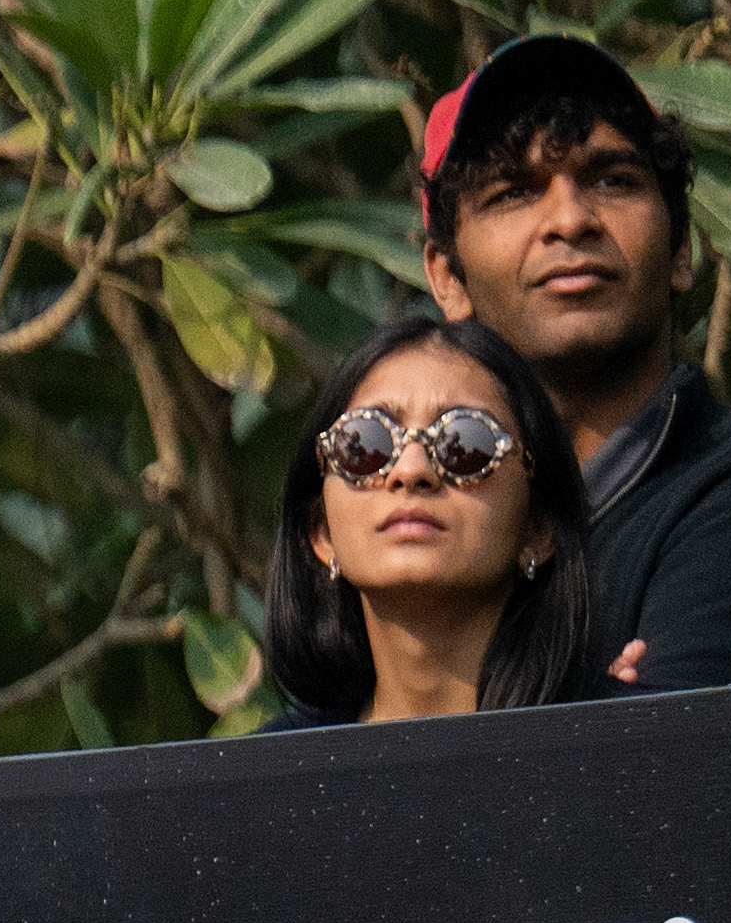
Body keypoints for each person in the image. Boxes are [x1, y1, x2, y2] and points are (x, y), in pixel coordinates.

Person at [416, 33, 731, 689]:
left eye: (611, 179)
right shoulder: (414, 529)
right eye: (513, 192)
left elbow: (652, 776)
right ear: (446, 278)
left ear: (682, 250)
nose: (569, 219)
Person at [258, 312, 607, 728]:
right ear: (321, 532)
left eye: (466, 443)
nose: (411, 470)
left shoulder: (627, 745)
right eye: (365, 444)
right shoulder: (266, 777)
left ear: (539, 526)